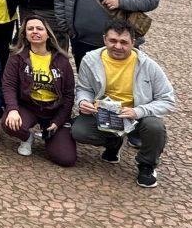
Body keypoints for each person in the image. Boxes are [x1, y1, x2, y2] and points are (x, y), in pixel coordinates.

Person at [71, 20, 176, 188]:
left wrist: (139, 111)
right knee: (79, 131)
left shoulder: (148, 66)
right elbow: (84, 88)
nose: (118, 46)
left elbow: (167, 100)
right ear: (105, 39)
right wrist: (83, 101)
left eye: (124, 42)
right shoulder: (90, 60)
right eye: (113, 41)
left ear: (133, 43)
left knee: (155, 127)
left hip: (136, 116)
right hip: (104, 115)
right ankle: (113, 143)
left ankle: (147, 165)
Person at [1, 17, 76, 165]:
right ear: (24, 35)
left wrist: (58, 121)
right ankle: (27, 138)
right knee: (9, 123)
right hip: (29, 107)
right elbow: (8, 85)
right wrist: (12, 109)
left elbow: (69, 95)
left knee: (66, 159)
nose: (35, 32)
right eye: (30, 29)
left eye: (39, 29)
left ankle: (50, 135)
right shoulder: (17, 57)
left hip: (54, 111)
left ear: (48, 34)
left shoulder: (62, 60)